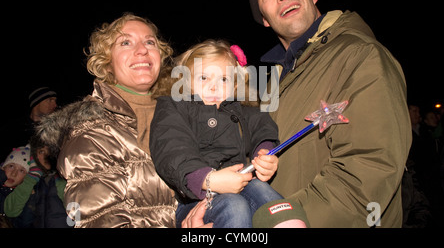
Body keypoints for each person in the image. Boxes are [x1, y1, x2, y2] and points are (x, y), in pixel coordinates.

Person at [246, 0, 411, 227]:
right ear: (264, 17)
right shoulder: (270, 87)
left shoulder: (359, 55)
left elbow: (368, 171)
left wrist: (273, 220)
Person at [35, 13, 180, 227]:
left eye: (150, 41)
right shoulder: (91, 132)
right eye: (126, 42)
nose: (142, 50)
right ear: (107, 63)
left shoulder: (183, 116)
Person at [150, 39, 286, 228]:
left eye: (224, 79)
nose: (214, 87)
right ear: (185, 81)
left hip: (242, 183)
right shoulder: (174, 108)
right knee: (234, 206)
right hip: (194, 200)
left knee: (267, 195)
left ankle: (288, 222)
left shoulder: (240, 110)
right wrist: (207, 179)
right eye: (203, 78)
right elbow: (171, 146)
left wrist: (264, 153)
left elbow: (262, 125)